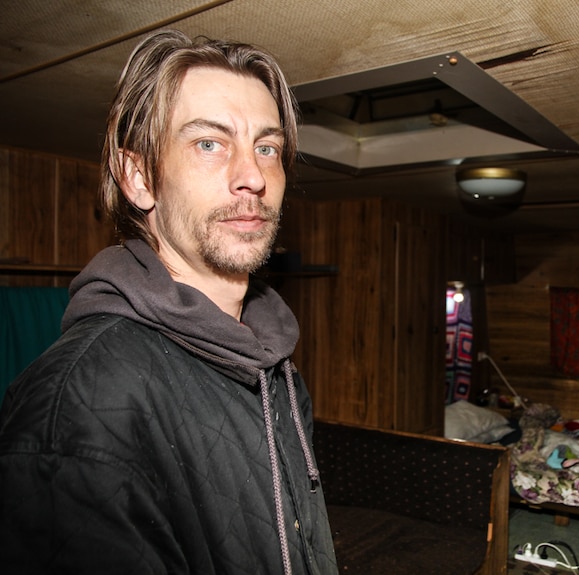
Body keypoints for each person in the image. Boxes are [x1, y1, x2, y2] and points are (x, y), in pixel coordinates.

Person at [0, 29, 338, 575]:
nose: (252, 175)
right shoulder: (78, 404)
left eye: (267, 147)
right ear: (138, 177)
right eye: (209, 143)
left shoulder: (276, 372)